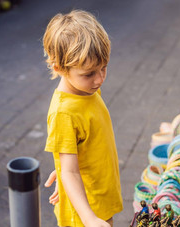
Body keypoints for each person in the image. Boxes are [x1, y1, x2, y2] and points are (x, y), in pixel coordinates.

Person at [42, 10, 123, 227]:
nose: (99, 79)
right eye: (89, 74)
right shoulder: (64, 112)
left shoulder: (87, 90)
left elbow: (70, 160)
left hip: (100, 198)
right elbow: (69, 170)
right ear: (59, 68)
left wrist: (64, 172)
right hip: (85, 213)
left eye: (103, 68)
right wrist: (90, 219)